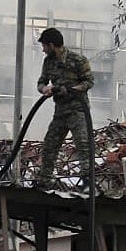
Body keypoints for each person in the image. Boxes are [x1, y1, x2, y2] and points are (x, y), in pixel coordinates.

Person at [34, 27, 95, 190]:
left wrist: (71, 89)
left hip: (78, 111)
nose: (43, 49)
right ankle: (45, 179)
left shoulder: (78, 60)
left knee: (83, 146)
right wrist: (44, 89)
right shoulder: (49, 62)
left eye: (44, 46)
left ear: (52, 45)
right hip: (60, 112)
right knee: (49, 146)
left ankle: (88, 183)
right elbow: (41, 82)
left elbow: (89, 82)